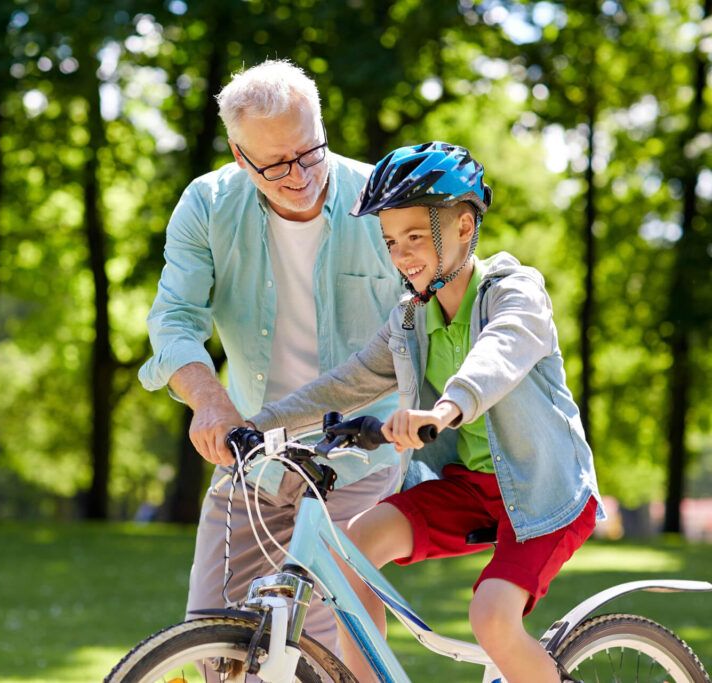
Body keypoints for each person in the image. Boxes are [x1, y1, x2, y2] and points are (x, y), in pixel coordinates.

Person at [247, 142, 605, 682]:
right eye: (391, 241)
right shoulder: (411, 321)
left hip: (544, 490)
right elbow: (346, 383)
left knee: (492, 618)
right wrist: (257, 424)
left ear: (464, 227)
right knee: (350, 554)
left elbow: (498, 355)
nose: (402, 255)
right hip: (470, 487)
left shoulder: (515, 292)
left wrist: (445, 408)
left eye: (415, 236)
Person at [138, 59, 404, 651]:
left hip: (358, 456)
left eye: (309, 152)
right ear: (239, 155)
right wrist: (209, 401)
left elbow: (434, 318)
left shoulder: (383, 204)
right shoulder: (207, 206)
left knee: (324, 648)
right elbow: (175, 317)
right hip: (253, 451)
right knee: (211, 641)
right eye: (276, 163)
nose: (299, 175)